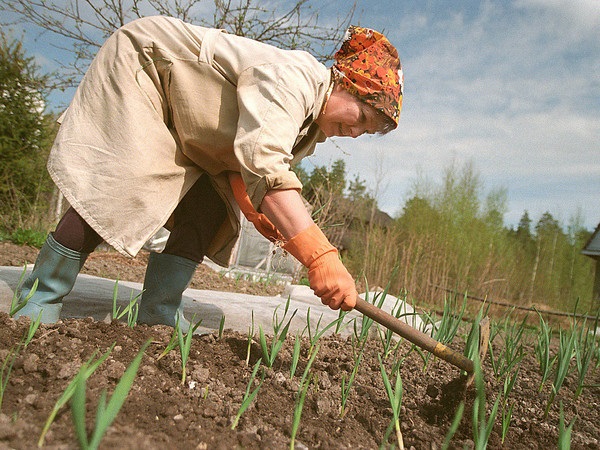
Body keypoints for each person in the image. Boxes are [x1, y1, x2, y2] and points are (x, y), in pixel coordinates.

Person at [13, 16, 403, 331]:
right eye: (361, 117)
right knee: (121, 184)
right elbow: (263, 162)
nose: (354, 132)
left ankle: (158, 312)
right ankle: (39, 296)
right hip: (147, 70)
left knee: (212, 208)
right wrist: (321, 256)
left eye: (364, 132)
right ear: (347, 84)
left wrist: (259, 211)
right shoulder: (294, 78)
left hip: (192, 129)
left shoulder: (311, 127)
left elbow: (244, 169)